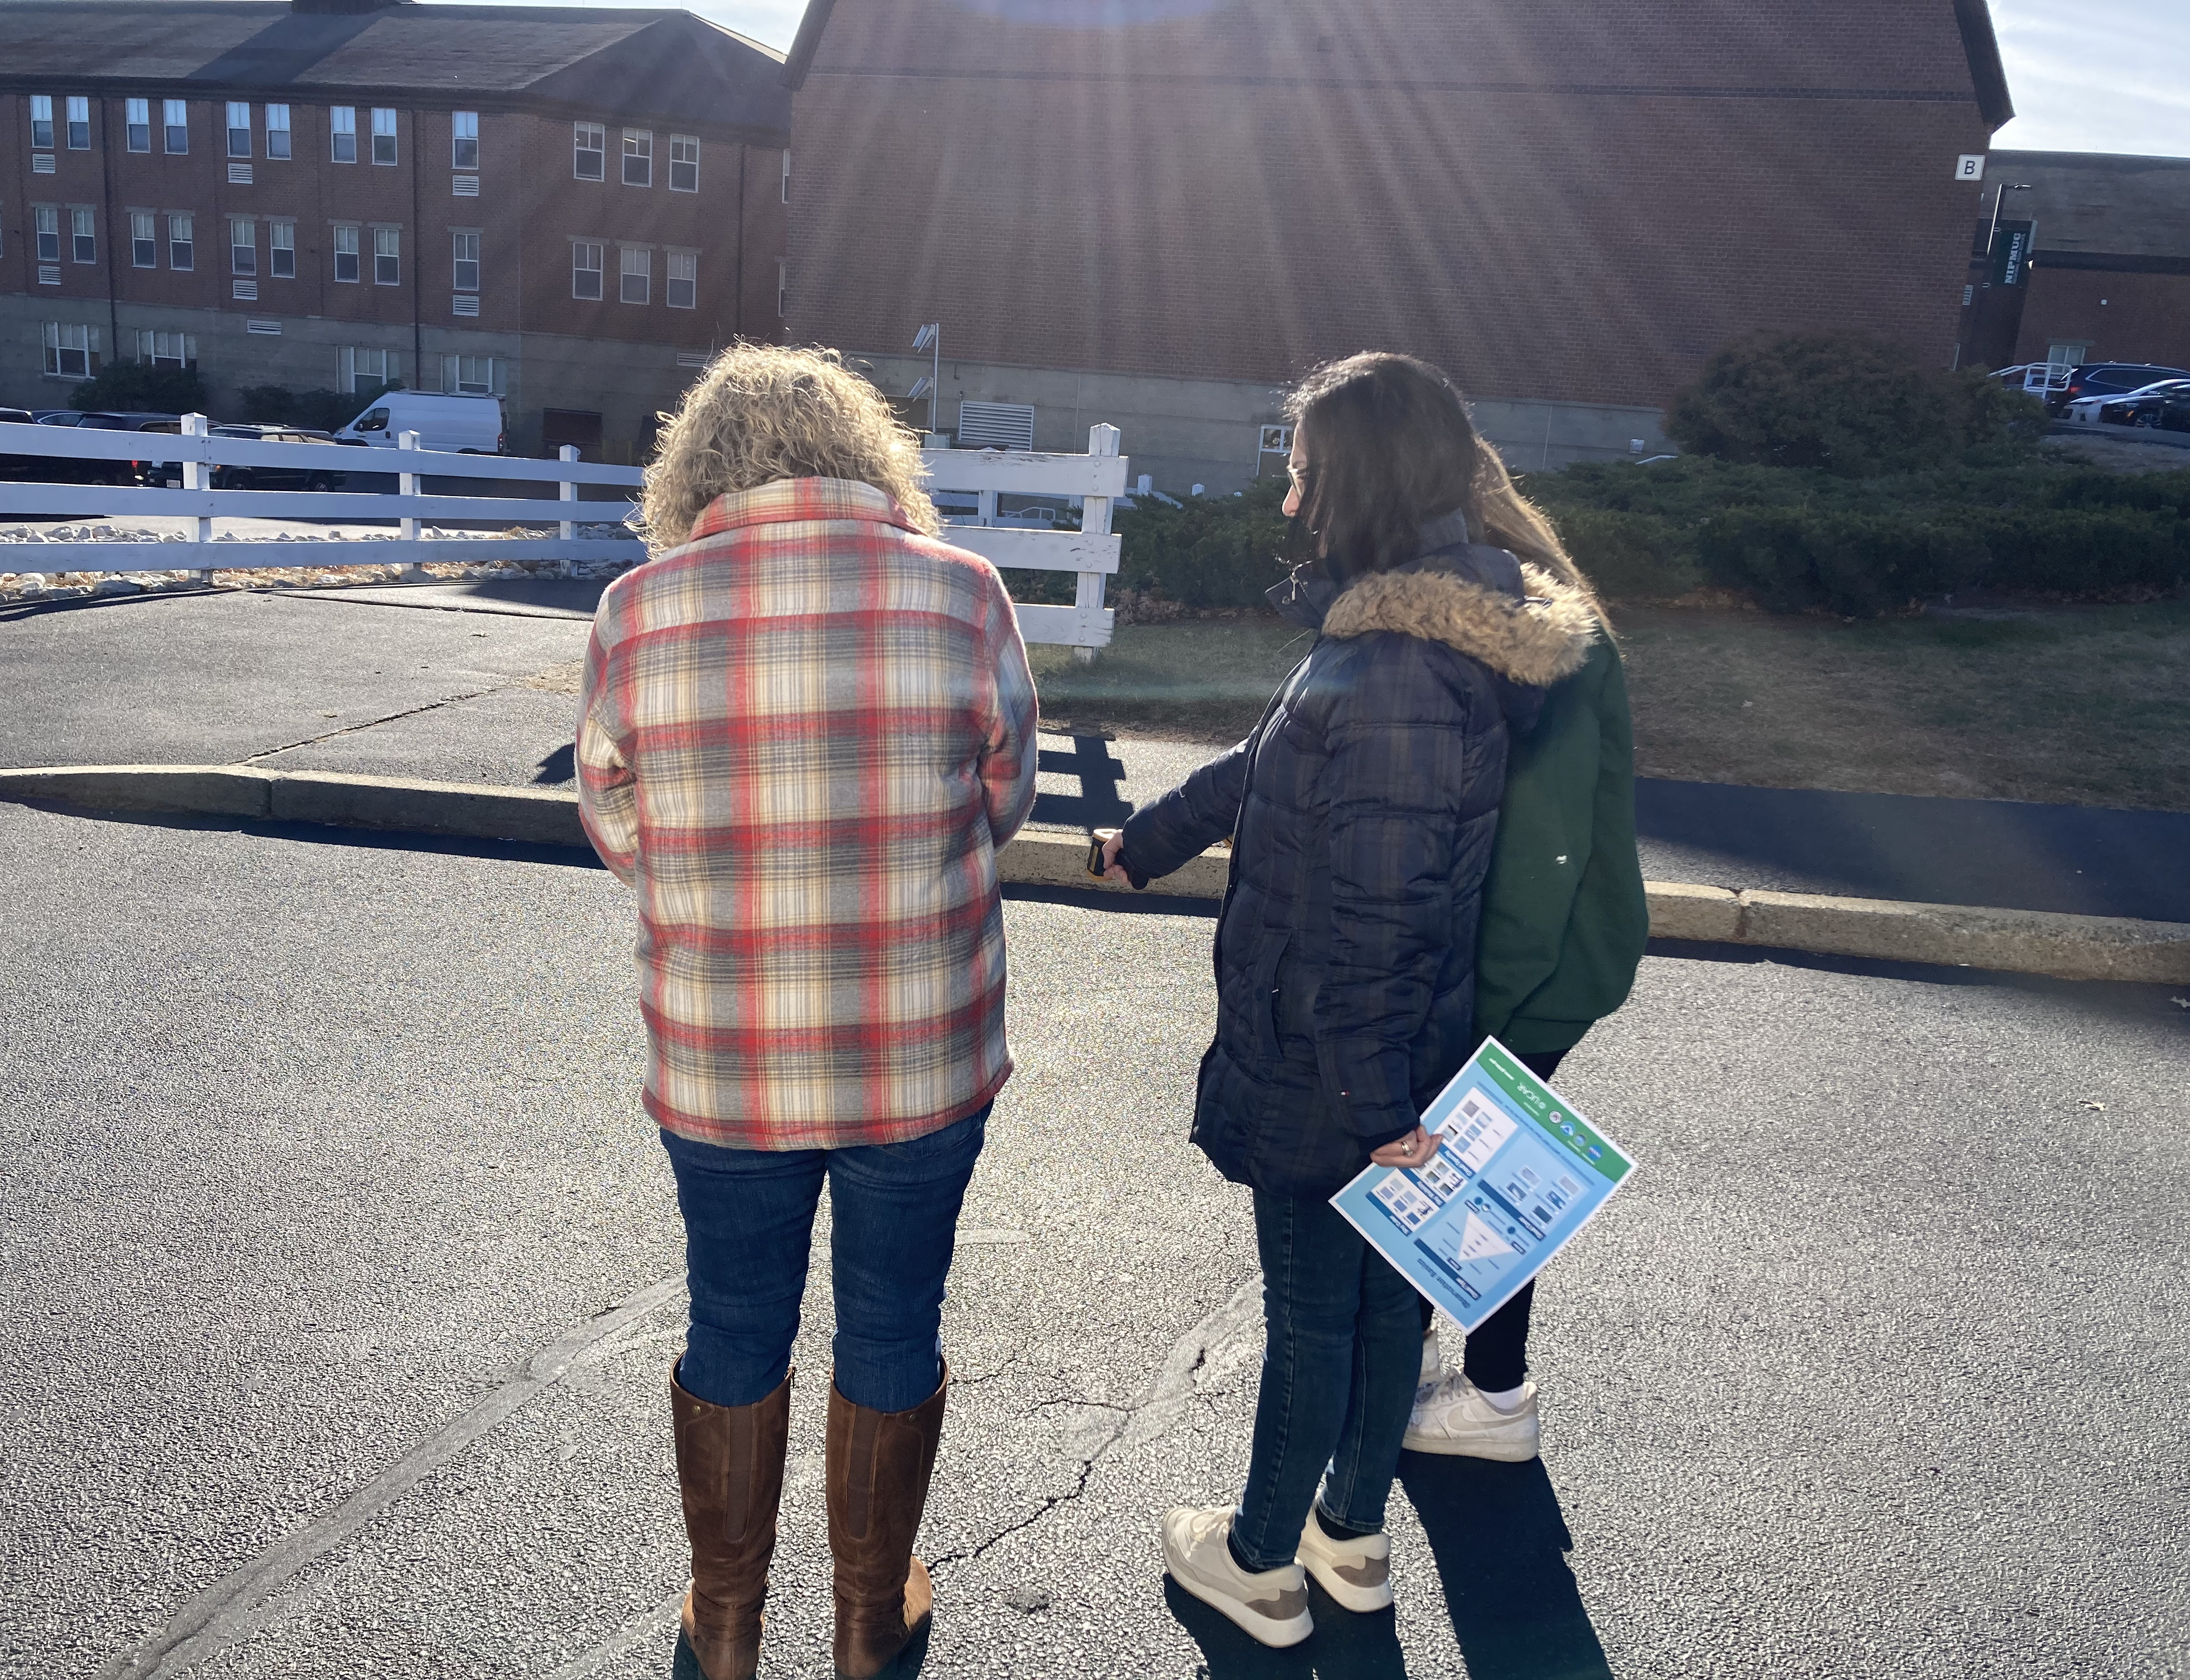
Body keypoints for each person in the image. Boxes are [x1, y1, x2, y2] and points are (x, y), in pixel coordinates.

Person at [1098, 353, 1600, 1649]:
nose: (1290, 503)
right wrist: (1144, 840)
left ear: (1357, 483)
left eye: (1305, 474)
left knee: (1320, 1316)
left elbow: (1377, 920)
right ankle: (1353, 1538)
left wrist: (1377, 1109)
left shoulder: (1391, 670)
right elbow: (1267, 764)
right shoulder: (1400, 635)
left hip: (1341, 1068)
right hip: (1385, 1063)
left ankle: (1262, 1562)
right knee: (1389, 1309)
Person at [576, 345, 1038, 1680]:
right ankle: (864, 1615)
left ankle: (725, 1624)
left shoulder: (636, 608)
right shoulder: (962, 595)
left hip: (725, 1057)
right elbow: (998, 796)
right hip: (919, 1048)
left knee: (732, 1321)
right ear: (866, 455)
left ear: (696, 468)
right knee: (893, 1323)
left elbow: (619, 823)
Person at [1399, 438, 1647, 1464]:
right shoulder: (1540, 614)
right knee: (1475, 1172)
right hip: (1549, 955)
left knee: (1483, 1175)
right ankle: (1464, 1381)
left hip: (1531, 965)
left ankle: (1495, 1397)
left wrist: (1476, 1010)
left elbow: (1545, 844)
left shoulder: (1532, 639)